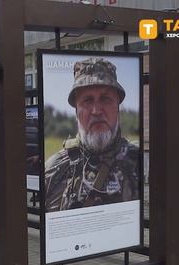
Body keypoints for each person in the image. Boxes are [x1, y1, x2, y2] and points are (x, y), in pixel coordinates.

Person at [44, 57, 139, 212]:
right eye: (87, 101)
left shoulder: (137, 162)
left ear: (118, 108)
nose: (96, 111)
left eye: (105, 99)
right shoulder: (54, 170)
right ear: (76, 112)